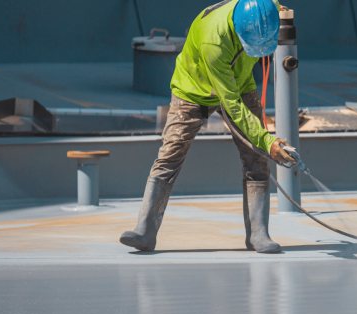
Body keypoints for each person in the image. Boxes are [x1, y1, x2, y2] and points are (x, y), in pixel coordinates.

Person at [120, 0, 296, 254]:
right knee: (170, 154)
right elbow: (232, 105)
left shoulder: (262, 9)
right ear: (238, 32)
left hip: (240, 81)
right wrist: (269, 141)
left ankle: (258, 234)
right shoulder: (214, 42)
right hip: (194, 90)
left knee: (256, 159)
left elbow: (273, 8)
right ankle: (145, 231)